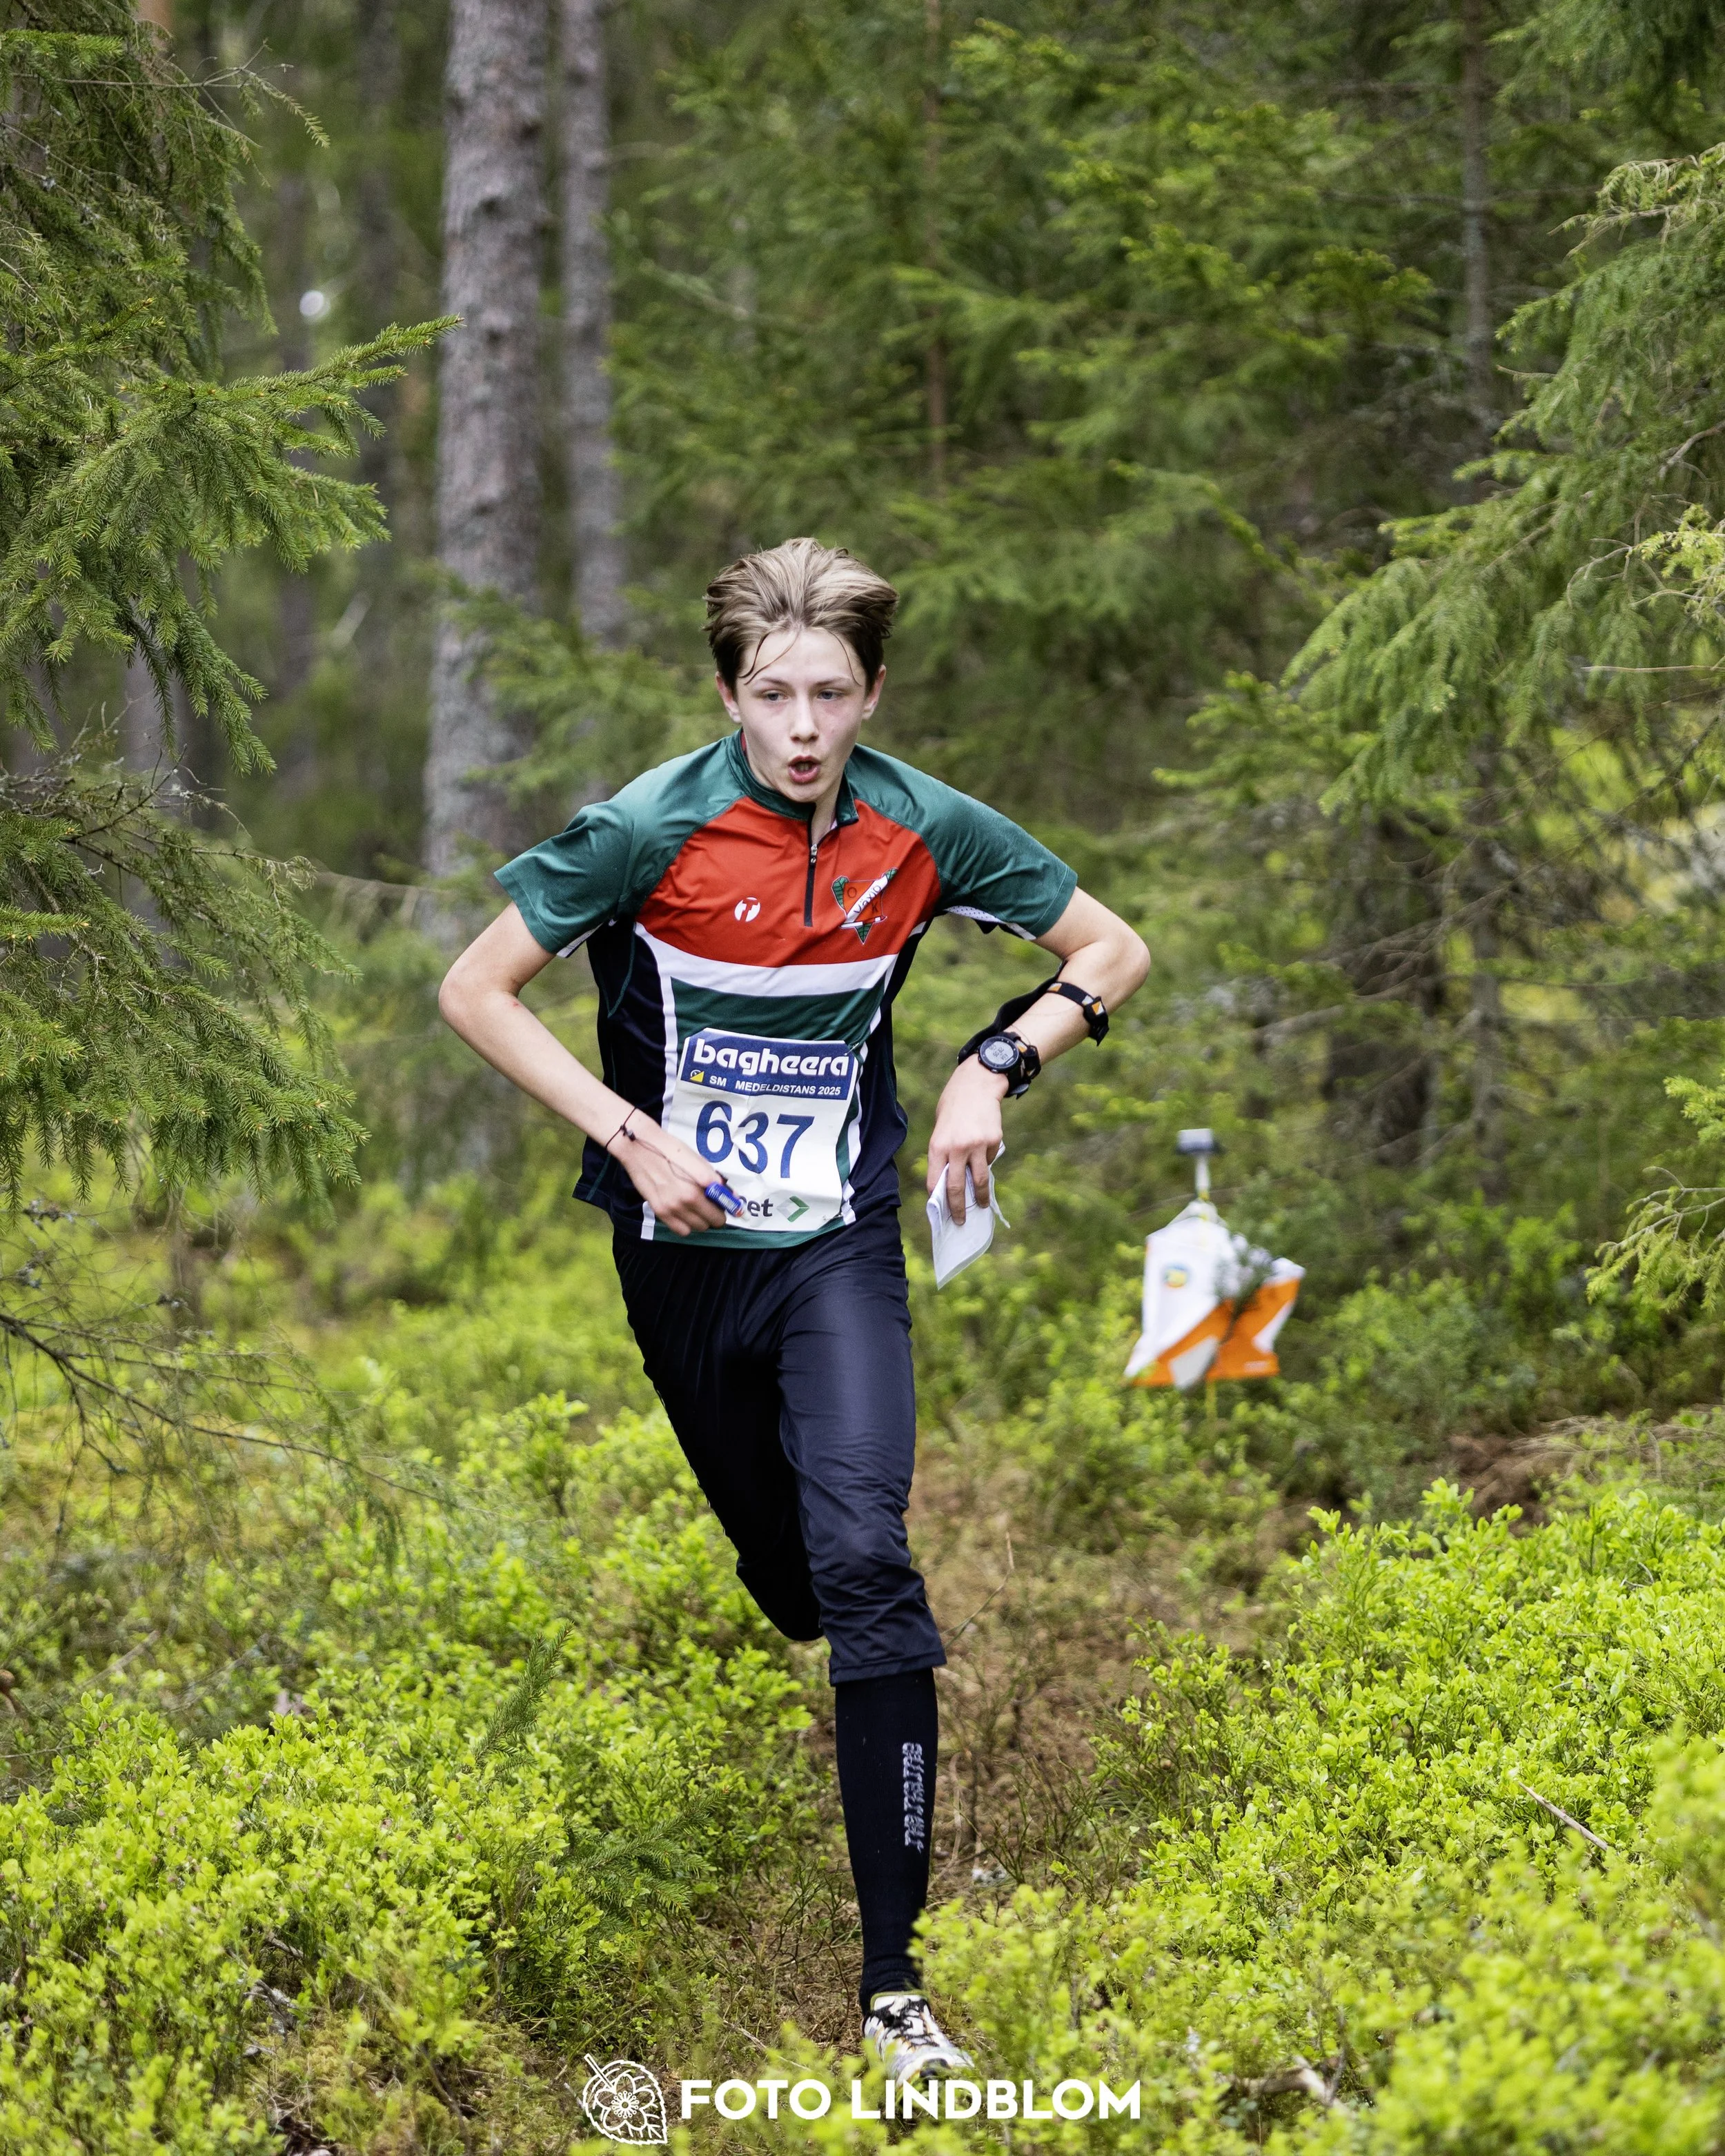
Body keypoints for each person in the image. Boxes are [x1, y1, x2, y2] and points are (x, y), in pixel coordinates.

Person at [439, 537, 1149, 2082]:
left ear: (871, 691)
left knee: (867, 1555)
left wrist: (992, 1061)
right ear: (729, 696)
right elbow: (474, 987)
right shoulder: (646, 826)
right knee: (793, 1578)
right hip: (681, 1250)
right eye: (775, 695)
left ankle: (895, 1988)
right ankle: (826, 1609)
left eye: (832, 692)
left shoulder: (919, 824)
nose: (807, 726)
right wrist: (629, 1132)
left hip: (839, 1241)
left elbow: (1111, 946)